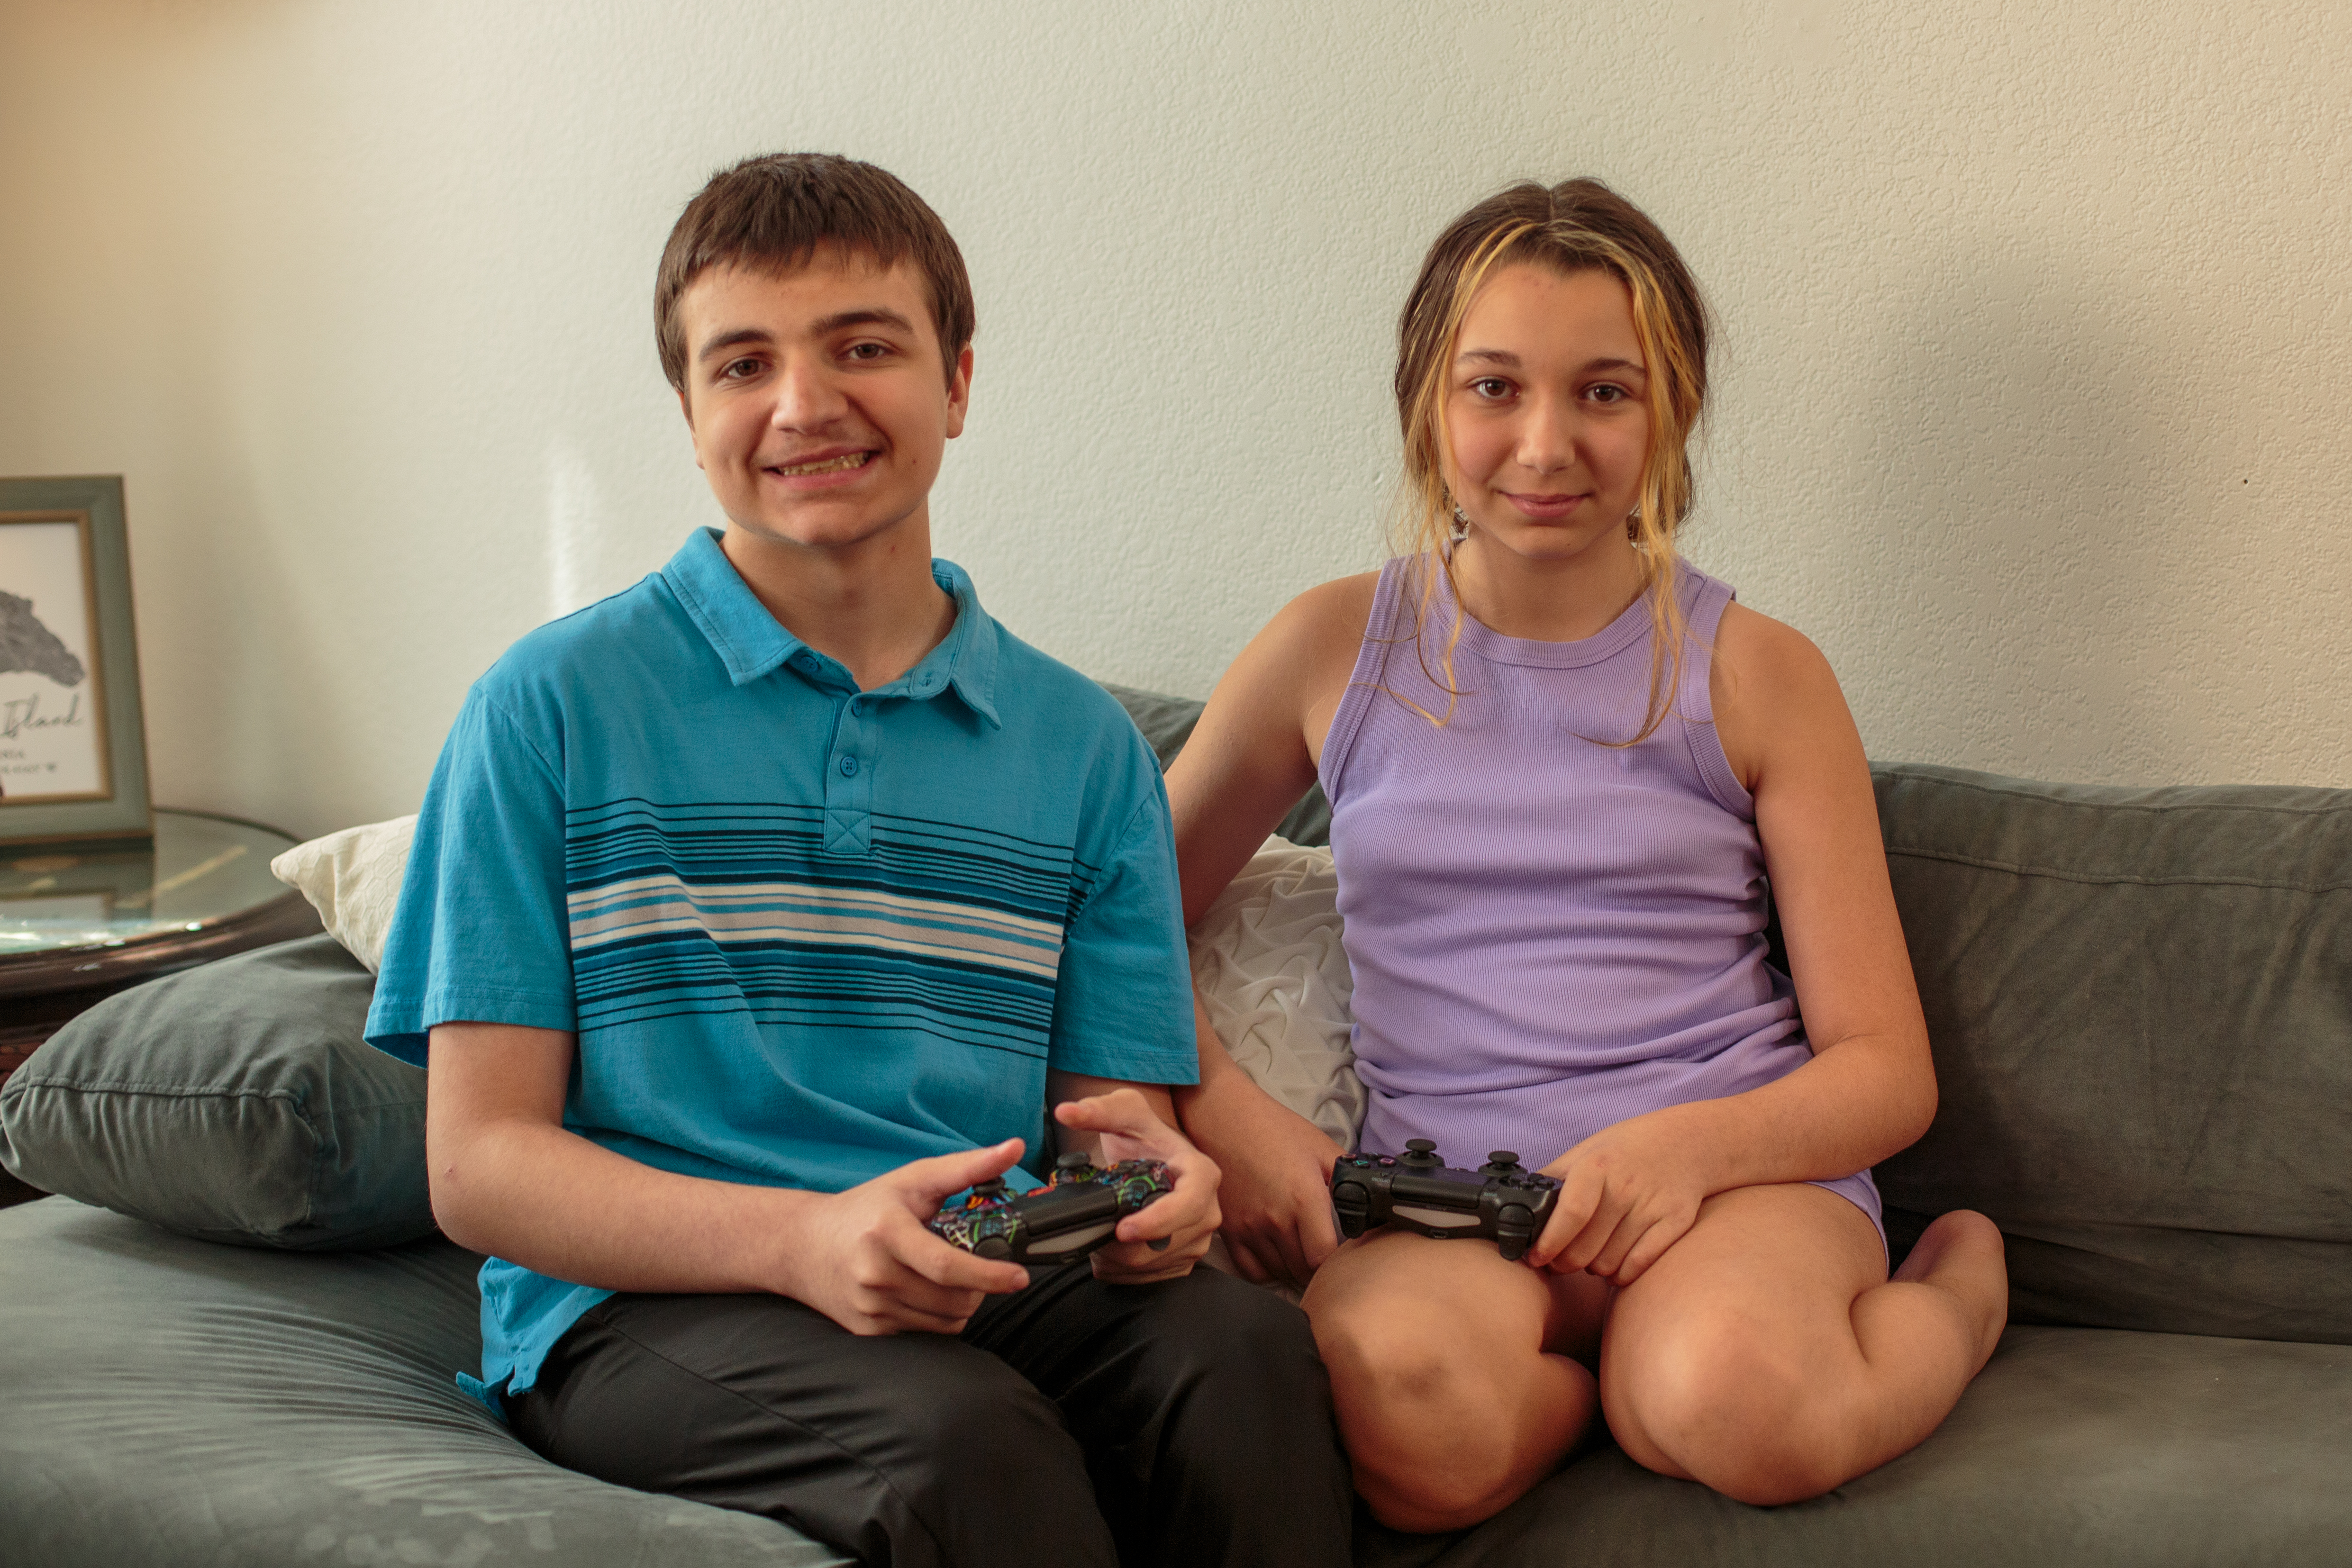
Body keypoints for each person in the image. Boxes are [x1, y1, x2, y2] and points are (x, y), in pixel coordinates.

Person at [363, 152, 1352, 1568]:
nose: (802, 405)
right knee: (959, 1442)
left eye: (861, 348)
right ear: (692, 413)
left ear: (955, 383)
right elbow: (482, 1166)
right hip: (654, 1305)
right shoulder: (548, 709)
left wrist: (1161, 1176)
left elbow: (1108, 1103)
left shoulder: (1081, 750)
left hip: (996, 1257)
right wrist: (796, 1242)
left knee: (1246, 1360)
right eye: (743, 362)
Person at [1165, 178, 2010, 1529]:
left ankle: (1955, 1304)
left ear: (1668, 413)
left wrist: (1682, 1156)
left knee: (1736, 1402)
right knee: (1393, 1411)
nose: (1543, 444)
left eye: (1602, 393)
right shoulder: (1327, 652)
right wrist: (1231, 1111)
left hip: (1727, 1184)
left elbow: (1885, 1070)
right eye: (1492, 388)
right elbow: (1112, 918)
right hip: (1444, 1206)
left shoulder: (1760, 674)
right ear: (1425, 408)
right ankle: (1602, 1391)